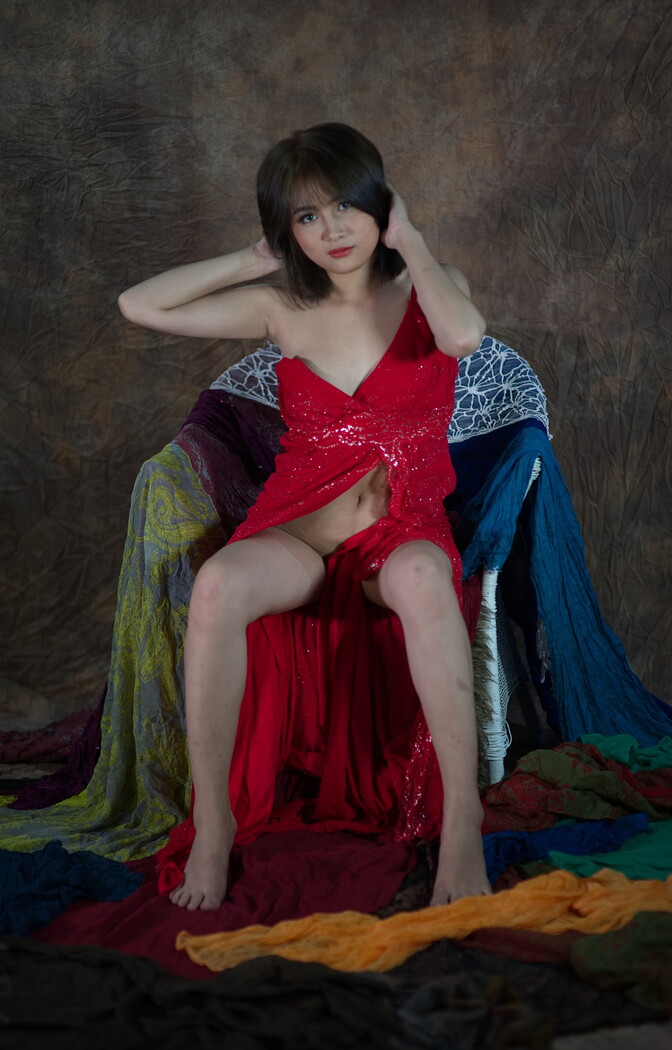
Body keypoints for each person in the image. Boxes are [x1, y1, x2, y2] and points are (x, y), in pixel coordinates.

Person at [118, 122, 491, 912]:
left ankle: (462, 825)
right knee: (218, 585)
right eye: (306, 217)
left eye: (345, 207)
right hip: (299, 526)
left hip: (401, 527)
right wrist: (251, 259)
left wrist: (411, 240)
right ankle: (214, 824)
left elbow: (464, 337)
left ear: (378, 203)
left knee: (426, 580)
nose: (332, 231)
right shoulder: (279, 305)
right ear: (287, 229)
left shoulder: (430, 288)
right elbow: (138, 304)